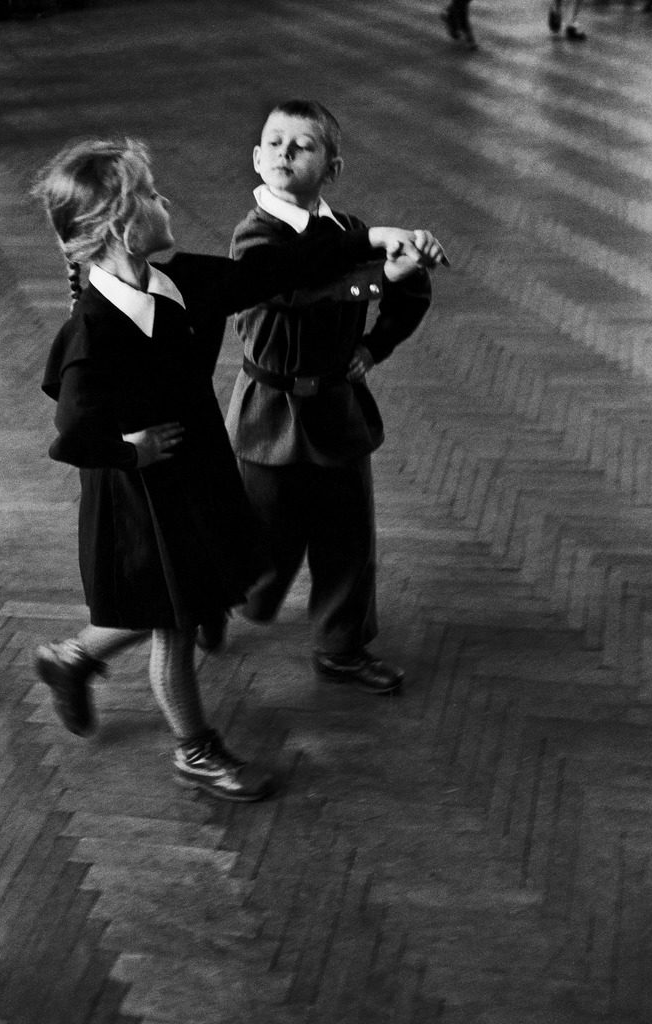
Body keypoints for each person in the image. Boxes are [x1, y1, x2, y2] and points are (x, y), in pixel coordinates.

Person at [32, 136, 446, 802]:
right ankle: (196, 750)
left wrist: (374, 237)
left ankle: (70, 658)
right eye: (150, 195)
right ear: (119, 228)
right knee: (177, 621)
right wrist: (131, 449)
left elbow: (278, 271)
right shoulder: (93, 330)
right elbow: (73, 433)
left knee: (182, 595)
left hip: (191, 468)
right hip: (140, 493)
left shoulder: (182, 280)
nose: (164, 201)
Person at [225, 100, 447, 697]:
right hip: (268, 412)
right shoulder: (254, 235)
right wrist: (379, 273)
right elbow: (295, 287)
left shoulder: (348, 232)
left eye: (303, 144)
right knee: (260, 539)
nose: (285, 152)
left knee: (349, 537)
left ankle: (342, 646)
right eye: (273, 141)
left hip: (337, 408)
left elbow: (411, 287)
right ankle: (215, 605)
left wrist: (374, 347)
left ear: (332, 167)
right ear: (256, 157)